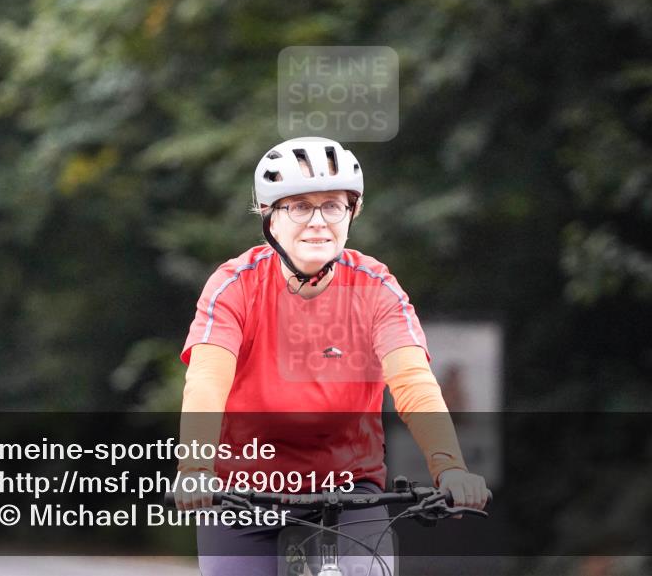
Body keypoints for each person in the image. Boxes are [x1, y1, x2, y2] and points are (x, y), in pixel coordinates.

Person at [176, 136, 490, 576]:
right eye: (299, 206)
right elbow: (208, 380)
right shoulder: (235, 286)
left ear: (352, 213)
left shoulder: (376, 288)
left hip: (350, 489)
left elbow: (413, 383)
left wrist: (450, 469)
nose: (318, 222)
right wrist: (195, 466)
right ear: (269, 217)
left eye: (333, 206)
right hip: (244, 490)